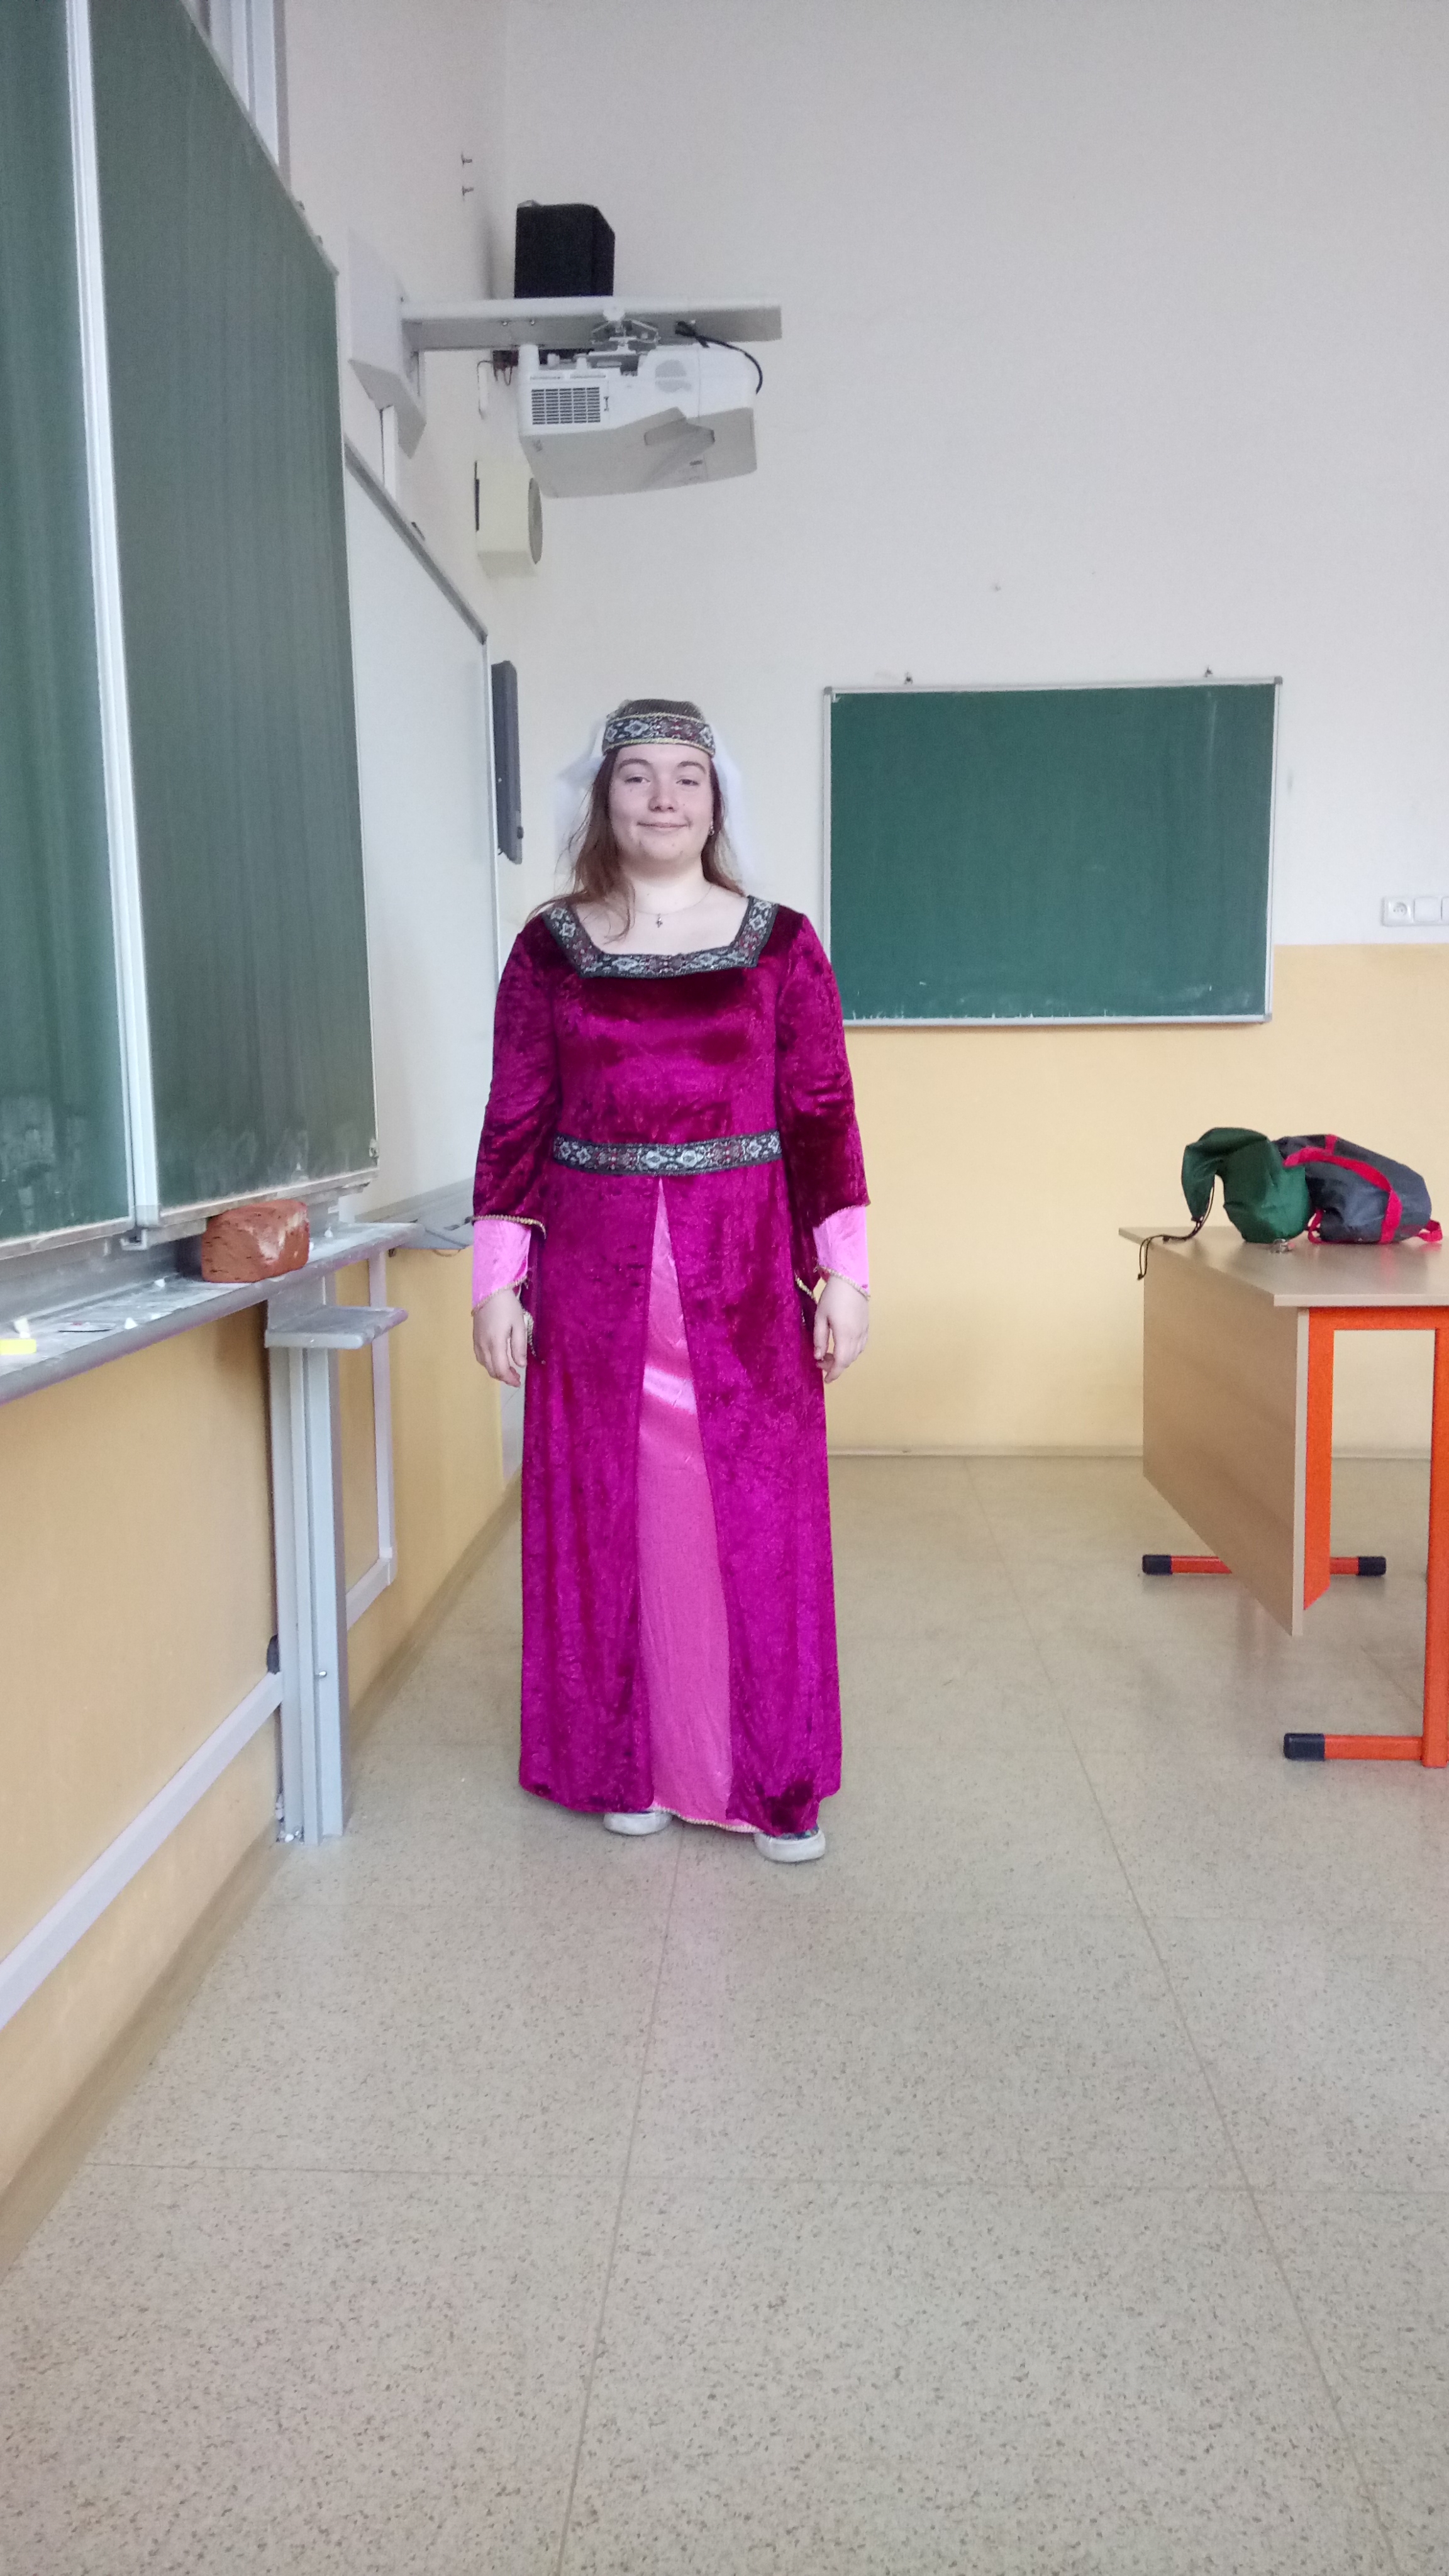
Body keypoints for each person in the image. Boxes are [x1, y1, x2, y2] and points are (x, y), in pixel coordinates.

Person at [470, 698, 869, 1862]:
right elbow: (515, 1117)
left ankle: (769, 1778)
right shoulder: (550, 949)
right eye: (636, 776)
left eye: (685, 777)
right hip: (594, 1282)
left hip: (746, 1277)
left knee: (755, 1516)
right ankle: (624, 1761)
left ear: (716, 797)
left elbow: (823, 1117)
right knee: (613, 1513)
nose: (661, 798)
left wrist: (844, 1275)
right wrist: (498, 1280)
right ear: (603, 799)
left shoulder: (782, 944)